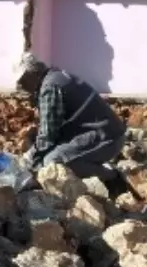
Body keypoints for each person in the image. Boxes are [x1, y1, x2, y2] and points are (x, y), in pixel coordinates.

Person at [16, 53, 127, 182]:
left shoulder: (50, 87)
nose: (21, 85)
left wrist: (30, 158)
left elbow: (48, 134)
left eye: (23, 79)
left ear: (33, 74)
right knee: (50, 154)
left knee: (52, 162)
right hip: (105, 133)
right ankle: (92, 166)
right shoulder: (56, 76)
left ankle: (112, 178)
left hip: (107, 139)